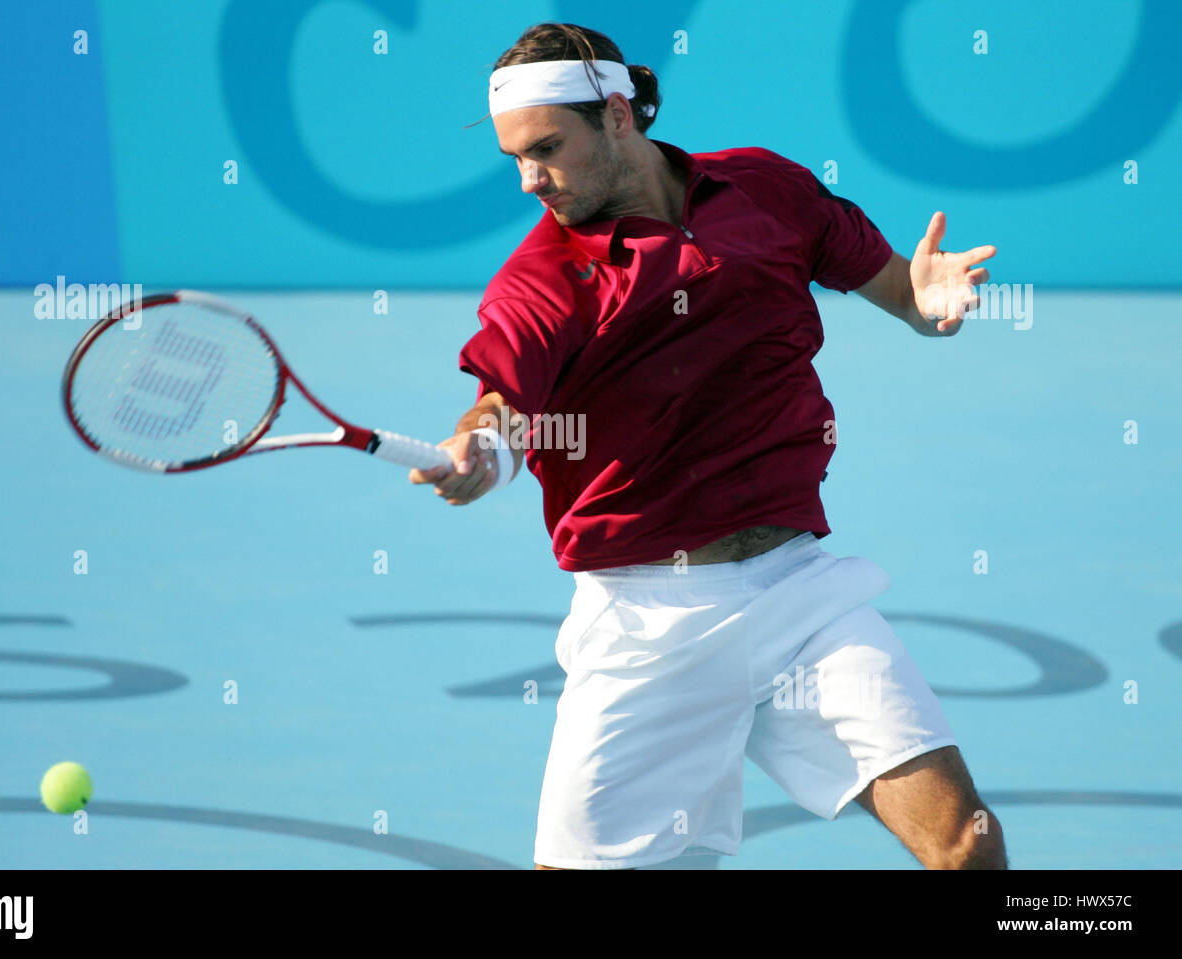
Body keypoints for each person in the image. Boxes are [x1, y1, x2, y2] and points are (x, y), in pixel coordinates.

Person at [410, 22, 1007, 871]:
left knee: (966, 844)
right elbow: (506, 400)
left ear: (619, 116)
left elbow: (897, 290)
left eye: (546, 148)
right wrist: (485, 449)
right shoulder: (544, 277)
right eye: (514, 157)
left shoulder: (767, 189)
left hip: (799, 593)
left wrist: (920, 296)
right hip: (647, 626)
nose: (528, 180)